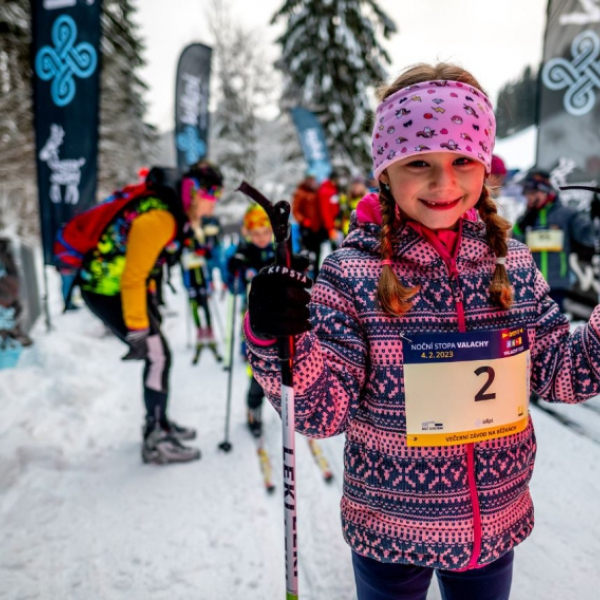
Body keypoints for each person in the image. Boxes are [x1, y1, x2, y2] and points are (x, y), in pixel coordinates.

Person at [244, 62, 600, 600]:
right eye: (419, 162)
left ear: (484, 165)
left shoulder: (515, 264)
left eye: (463, 159)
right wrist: (277, 338)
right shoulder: (353, 274)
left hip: (492, 526)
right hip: (389, 532)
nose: (444, 182)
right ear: (385, 171)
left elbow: (563, 374)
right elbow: (322, 412)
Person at [79, 167, 201, 465]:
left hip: (119, 292)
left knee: (160, 356)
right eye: (199, 195)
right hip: (108, 292)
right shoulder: (159, 218)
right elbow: (132, 277)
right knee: (157, 357)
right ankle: (155, 440)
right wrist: (138, 329)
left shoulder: (159, 213)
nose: (203, 202)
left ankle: (159, 424)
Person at [224, 203, 276, 437]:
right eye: (256, 234)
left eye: (265, 233)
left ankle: (287, 408)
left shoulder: (278, 250)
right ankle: (253, 409)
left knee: (283, 367)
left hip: (279, 318)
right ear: (248, 233)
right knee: (256, 372)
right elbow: (230, 273)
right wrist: (234, 265)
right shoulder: (245, 250)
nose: (262, 238)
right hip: (253, 319)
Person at [513, 168, 594, 312]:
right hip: (531, 285)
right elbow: (513, 244)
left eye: (533, 193)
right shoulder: (526, 217)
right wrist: (522, 225)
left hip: (557, 284)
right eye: (527, 194)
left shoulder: (567, 214)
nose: (529, 198)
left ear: (545, 191)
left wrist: (594, 219)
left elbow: (588, 236)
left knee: (554, 327)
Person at [179, 162, 225, 359]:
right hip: (189, 268)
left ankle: (210, 331)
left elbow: (216, 250)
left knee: (205, 296)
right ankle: (200, 331)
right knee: (193, 297)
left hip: (203, 268)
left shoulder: (209, 220)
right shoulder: (183, 221)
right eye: (210, 198)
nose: (213, 204)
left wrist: (208, 250)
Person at [292, 170, 327, 278]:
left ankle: (316, 275)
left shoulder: (318, 192)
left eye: (313, 179)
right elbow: (295, 210)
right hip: (306, 228)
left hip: (317, 228)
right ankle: (304, 275)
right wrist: (303, 220)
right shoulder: (300, 192)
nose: (311, 182)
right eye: (309, 179)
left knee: (318, 252)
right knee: (306, 252)